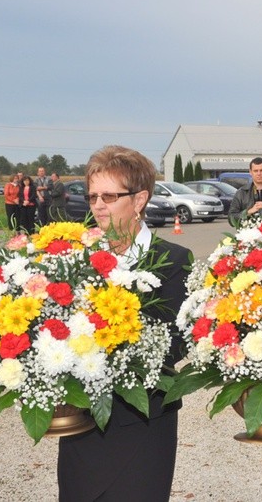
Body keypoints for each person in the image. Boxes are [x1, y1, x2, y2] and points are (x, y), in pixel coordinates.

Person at [57, 145, 192, 501]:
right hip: (82, 419)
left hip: (142, 421)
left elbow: (173, 340)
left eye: (109, 196)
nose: (98, 205)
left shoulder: (173, 260)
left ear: (139, 199)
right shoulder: (76, 258)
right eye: (92, 196)